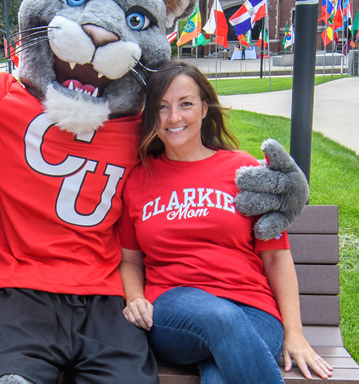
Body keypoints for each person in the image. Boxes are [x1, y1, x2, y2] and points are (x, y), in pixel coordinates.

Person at [118, 61, 333, 383]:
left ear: (205, 108)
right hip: (171, 308)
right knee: (220, 317)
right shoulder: (138, 179)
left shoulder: (243, 169)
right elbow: (130, 259)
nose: (174, 117)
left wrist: (295, 333)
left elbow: (275, 255)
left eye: (185, 104)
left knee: (221, 375)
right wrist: (135, 298)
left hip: (254, 310)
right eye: (162, 107)